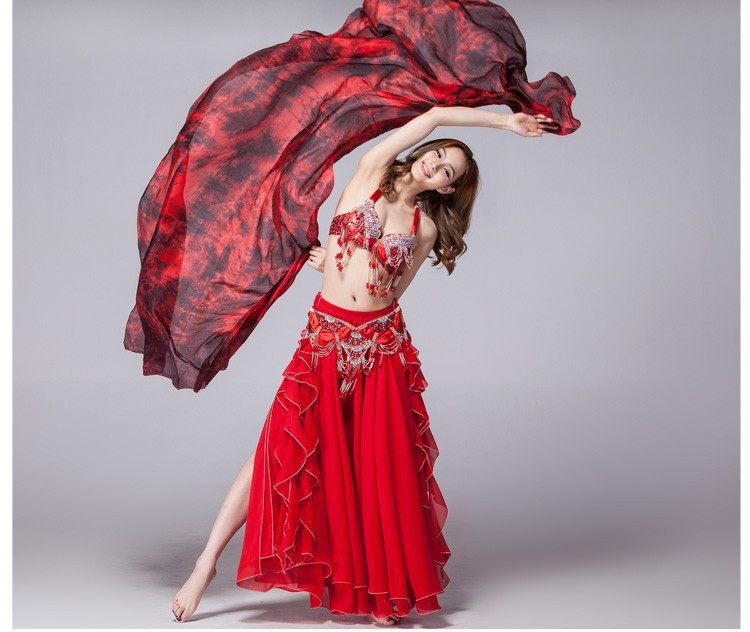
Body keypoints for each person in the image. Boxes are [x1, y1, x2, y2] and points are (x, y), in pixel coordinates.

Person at [170, 105, 554, 626]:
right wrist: (505, 123)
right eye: (439, 154)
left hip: (379, 350)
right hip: (324, 342)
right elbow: (435, 113)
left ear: (446, 188)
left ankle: (380, 592)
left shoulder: (422, 229)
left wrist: (339, 269)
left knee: (374, 467)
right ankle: (205, 564)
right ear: (423, 151)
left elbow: (390, 291)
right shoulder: (371, 173)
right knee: (274, 452)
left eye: (448, 171)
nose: (437, 164)